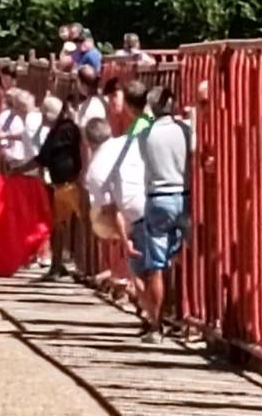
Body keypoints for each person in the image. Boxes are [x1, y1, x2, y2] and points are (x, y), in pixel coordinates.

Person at [135, 87, 192, 343]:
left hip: (158, 197)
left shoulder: (146, 134)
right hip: (184, 195)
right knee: (182, 258)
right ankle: (183, 314)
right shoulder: (186, 130)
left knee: (156, 266)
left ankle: (157, 325)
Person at [14, 95, 82, 280]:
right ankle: (58, 265)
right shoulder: (66, 129)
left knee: (65, 226)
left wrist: (19, 170)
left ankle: (62, 265)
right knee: (63, 226)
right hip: (65, 183)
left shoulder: (62, 131)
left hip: (68, 185)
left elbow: (42, 158)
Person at [83, 117, 147, 308]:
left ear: (88, 142)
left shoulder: (94, 171)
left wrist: (124, 239)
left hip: (131, 213)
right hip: (155, 201)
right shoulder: (131, 142)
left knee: (140, 263)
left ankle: (144, 305)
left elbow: (112, 210)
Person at [76, 66, 107, 131]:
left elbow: (81, 129)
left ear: (83, 85)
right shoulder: (104, 99)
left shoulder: (86, 108)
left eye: (77, 81)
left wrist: (73, 116)